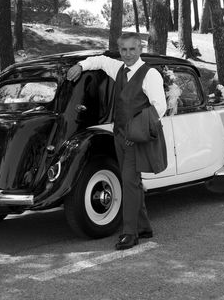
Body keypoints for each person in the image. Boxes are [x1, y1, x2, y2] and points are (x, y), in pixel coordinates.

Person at [66, 32, 167, 250]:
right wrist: (81, 66)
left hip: (136, 137)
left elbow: (160, 107)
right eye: (124, 50)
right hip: (119, 136)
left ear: (140, 49)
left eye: (132, 49)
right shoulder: (119, 69)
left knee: (129, 183)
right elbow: (101, 61)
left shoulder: (150, 75)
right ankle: (144, 226)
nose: (128, 54)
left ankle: (130, 233)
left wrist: (134, 131)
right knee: (132, 181)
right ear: (119, 50)